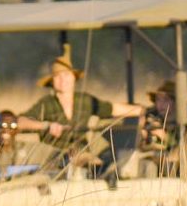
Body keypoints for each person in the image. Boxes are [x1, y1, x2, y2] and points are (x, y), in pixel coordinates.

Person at [16, 55, 147, 168]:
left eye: (66, 75)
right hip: (55, 158)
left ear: (74, 78)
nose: (63, 80)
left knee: (103, 163)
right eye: (58, 76)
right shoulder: (46, 103)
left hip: (83, 155)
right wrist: (46, 126)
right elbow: (21, 122)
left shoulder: (85, 100)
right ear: (52, 81)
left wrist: (141, 111)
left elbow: (113, 109)